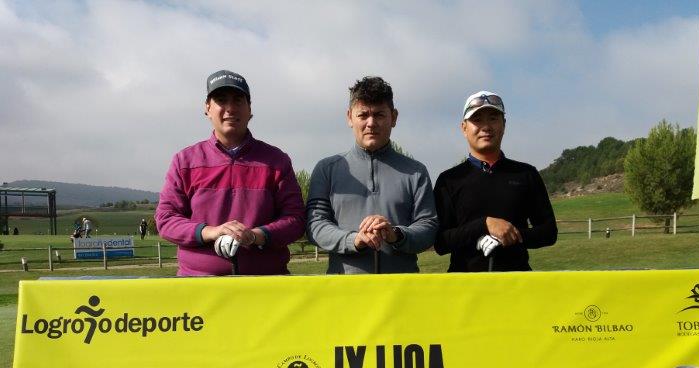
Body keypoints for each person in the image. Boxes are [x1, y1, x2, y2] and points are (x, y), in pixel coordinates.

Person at [156, 69, 305, 276]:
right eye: (221, 100)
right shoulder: (185, 161)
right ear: (207, 108)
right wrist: (211, 232)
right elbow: (165, 219)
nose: (230, 108)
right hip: (198, 286)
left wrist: (255, 236)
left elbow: (296, 219)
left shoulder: (277, 160)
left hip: (266, 286)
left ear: (250, 109)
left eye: (238, 100)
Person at [306, 76, 437, 274]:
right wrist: (353, 240)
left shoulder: (416, 172)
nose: (371, 123)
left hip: (402, 291)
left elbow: (428, 226)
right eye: (363, 115)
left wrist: (396, 234)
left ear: (394, 117)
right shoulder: (326, 169)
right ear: (349, 117)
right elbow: (315, 225)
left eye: (379, 115)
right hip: (343, 292)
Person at [433, 91, 557, 271]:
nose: (486, 127)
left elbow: (548, 232)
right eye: (477, 120)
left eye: (493, 118)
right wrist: (484, 226)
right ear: (464, 128)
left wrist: (510, 236)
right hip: (464, 287)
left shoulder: (525, 174)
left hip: (516, 283)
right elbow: (440, 243)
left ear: (504, 125)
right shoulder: (449, 180)